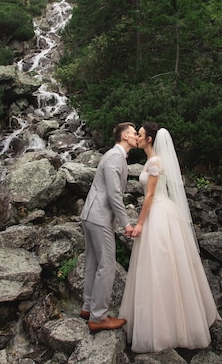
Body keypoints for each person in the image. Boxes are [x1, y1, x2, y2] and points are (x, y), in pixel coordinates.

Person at [119, 122, 220, 352]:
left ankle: (167, 329)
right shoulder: (151, 160)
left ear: (150, 139)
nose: (138, 137)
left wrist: (140, 223)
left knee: (160, 266)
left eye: (141, 134)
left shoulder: (155, 162)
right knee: (164, 266)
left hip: (159, 214)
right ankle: (173, 321)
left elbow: (150, 196)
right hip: (162, 212)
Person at [80, 122, 139, 332]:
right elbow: (114, 194)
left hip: (91, 214)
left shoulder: (113, 155)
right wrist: (126, 223)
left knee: (93, 263)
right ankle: (98, 317)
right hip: (99, 217)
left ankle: (88, 307)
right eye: (134, 133)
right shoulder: (115, 156)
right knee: (107, 265)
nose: (136, 136)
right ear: (124, 136)